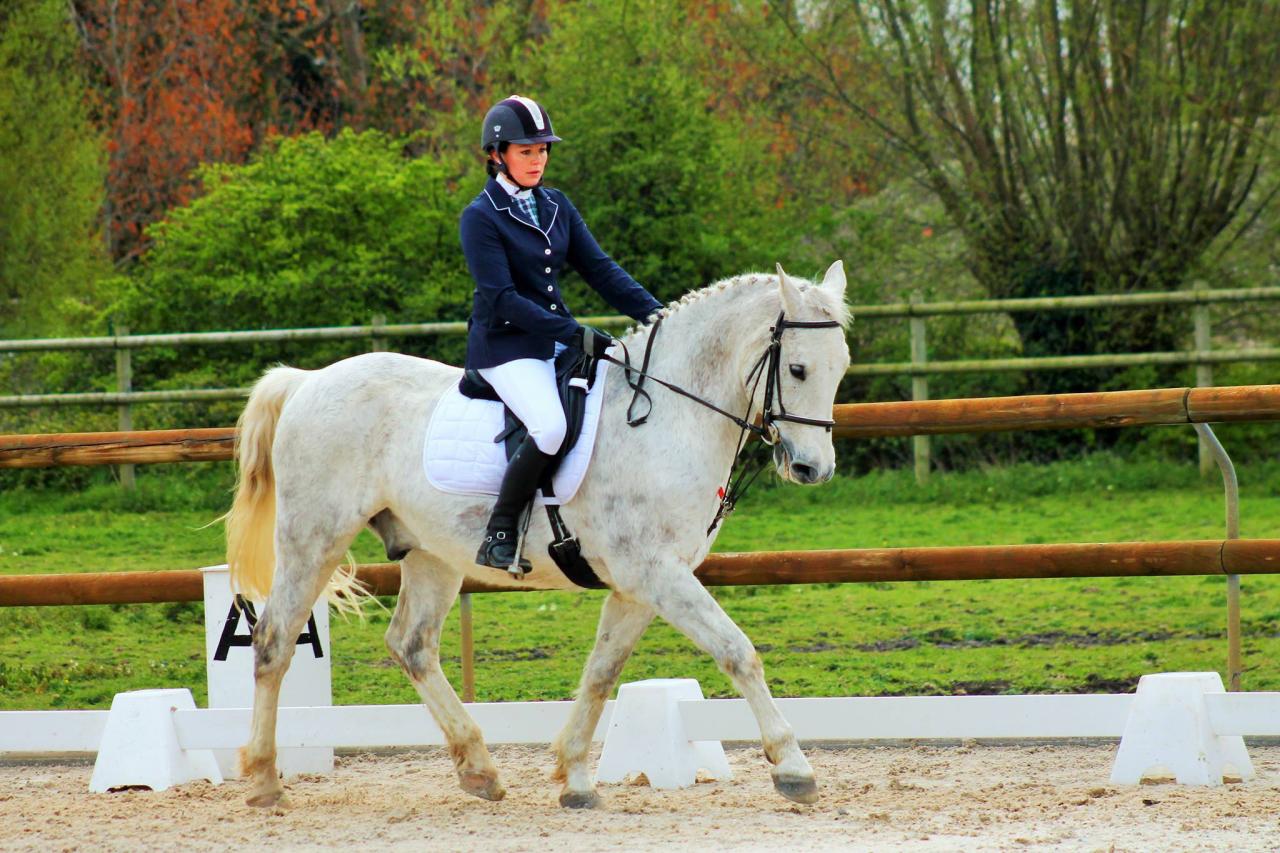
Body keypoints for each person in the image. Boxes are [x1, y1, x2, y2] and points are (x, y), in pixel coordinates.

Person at [460, 95, 664, 572]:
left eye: (543, 150)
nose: (538, 160)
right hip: (506, 346)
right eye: (526, 151)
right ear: (497, 154)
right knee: (551, 427)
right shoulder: (480, 217)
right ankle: (502, 532)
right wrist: (572, 332)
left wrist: (659, 316)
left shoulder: (555, 205)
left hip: (551, 339)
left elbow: (601, 270)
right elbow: (502, 298)